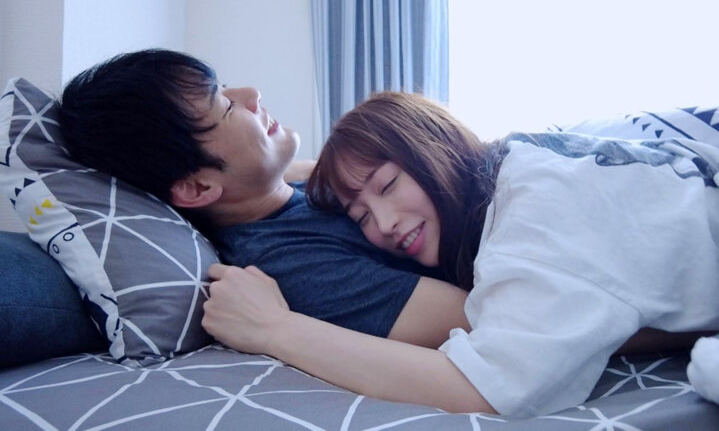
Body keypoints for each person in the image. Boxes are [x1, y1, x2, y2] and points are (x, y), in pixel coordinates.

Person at [201, 91, 719, 416]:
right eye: (362, 216)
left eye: (389, 184)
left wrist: (274, 328)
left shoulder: (529, 216)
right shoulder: (508, 172)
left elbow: (485, 388)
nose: (385, 224)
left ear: (429, 146)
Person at [57, 49, 471, 350]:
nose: (252, 94)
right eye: (225, 106)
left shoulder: (289, 192)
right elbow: (474, 315)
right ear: (197, 188)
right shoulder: (290, 261)